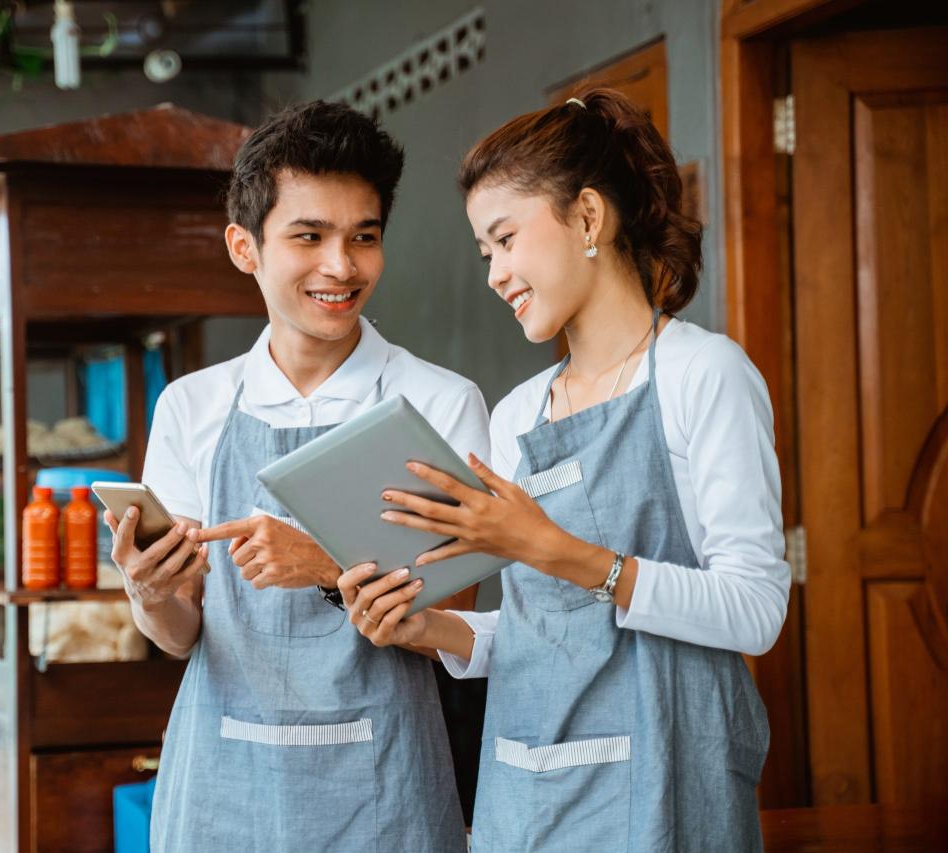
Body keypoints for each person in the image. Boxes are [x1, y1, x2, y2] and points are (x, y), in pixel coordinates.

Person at [338, 89, 790, 852]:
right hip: (528, 790)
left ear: (587, 217)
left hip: (667, 788)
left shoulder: (701, 374)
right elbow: (542, 631)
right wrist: (432, 628)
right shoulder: (519, 413)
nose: (495, 274)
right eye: (486, 252)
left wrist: (555, 549)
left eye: (506, 239)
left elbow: (755, 609)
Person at [105, 100, 490, 852]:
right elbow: (181, 634)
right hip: (222, 782)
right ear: (244, 246)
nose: (341, 267)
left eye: (364, 237)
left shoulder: (440, 402)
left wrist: (322, 562)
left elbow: (457, 618)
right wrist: (149, 593)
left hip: (384, 786)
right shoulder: (194, 406)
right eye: (309, 236)